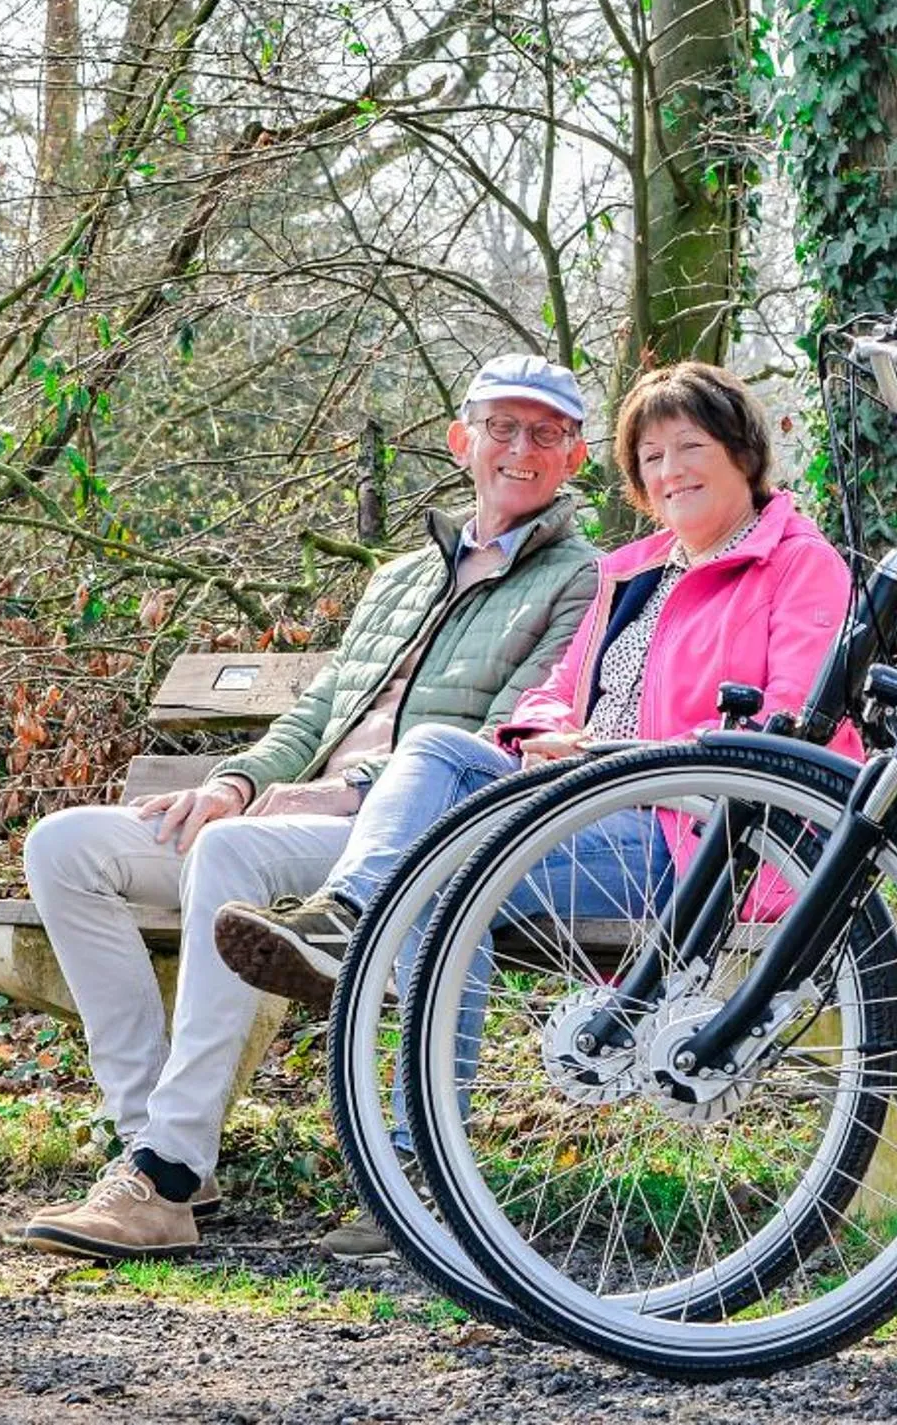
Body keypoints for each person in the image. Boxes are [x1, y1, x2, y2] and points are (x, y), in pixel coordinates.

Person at [12, 354, 601, 1263]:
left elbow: (505, 735)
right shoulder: (403, 576)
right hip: (292, 823)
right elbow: (318, 710)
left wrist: (349, 789)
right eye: (501, 427)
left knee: (231, 857)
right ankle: (150, 1139)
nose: (519, 448)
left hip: (405, 832)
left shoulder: (580, 578)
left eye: (546, 433)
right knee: (66, 846)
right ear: (461, 441)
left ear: (575, 458)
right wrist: (233, 783)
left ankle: (165, 1177)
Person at [213, 359, 857, 1013]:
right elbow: (552, 690)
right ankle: (343, 914)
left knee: (439, 876)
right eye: (651, 455)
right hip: (585, 806)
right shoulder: (632, 572)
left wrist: (617, 758)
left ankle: (418, 1114)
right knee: (436, 747)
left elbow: (790, 722)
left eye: (691, 447)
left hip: (699, 837)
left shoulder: (798, 562)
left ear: (742, 454)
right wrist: (543, 733)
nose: (670, 471)